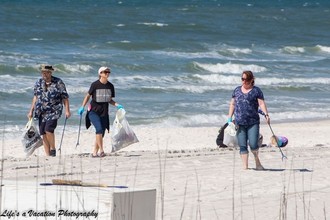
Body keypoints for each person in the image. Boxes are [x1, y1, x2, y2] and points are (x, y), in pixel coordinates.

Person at [227, 71, 270, 170]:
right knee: (242, 145)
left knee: (253, 144)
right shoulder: (237, 90)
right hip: (239, 122)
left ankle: (257, 161)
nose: (244, 81)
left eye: (246, 79)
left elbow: (261, 104)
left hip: (253, 122)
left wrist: (266, 114)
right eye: (242, 79)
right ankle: (245, 167)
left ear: (251, 80)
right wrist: (229, 118)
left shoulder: (256, 91)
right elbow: (232, 104)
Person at [78, 66, 123, 157]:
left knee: (101, 132)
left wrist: (117, 105)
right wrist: (82, 107)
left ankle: (95, 152)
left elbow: (109, 100)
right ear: (100, 74)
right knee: (98, 129)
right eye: (105, 72)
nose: (107, 73)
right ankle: (102, 150)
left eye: (108, 72)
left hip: (104, 112)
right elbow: (88, 96)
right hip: (93, 111)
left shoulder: (110, 86)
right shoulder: (95, 84)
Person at [28, 64, 71, 157]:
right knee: (43, 132)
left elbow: (65, 97)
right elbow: (35, 97)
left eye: (47, 72)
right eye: (43, 72)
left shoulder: (58, 82)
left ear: (50, 73)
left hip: (54, 111)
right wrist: (31, 110)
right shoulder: (38, 82)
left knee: (49, 130)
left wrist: (67, 110)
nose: (44, 74)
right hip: (41, 111)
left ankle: (53, 148)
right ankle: (48, 155)